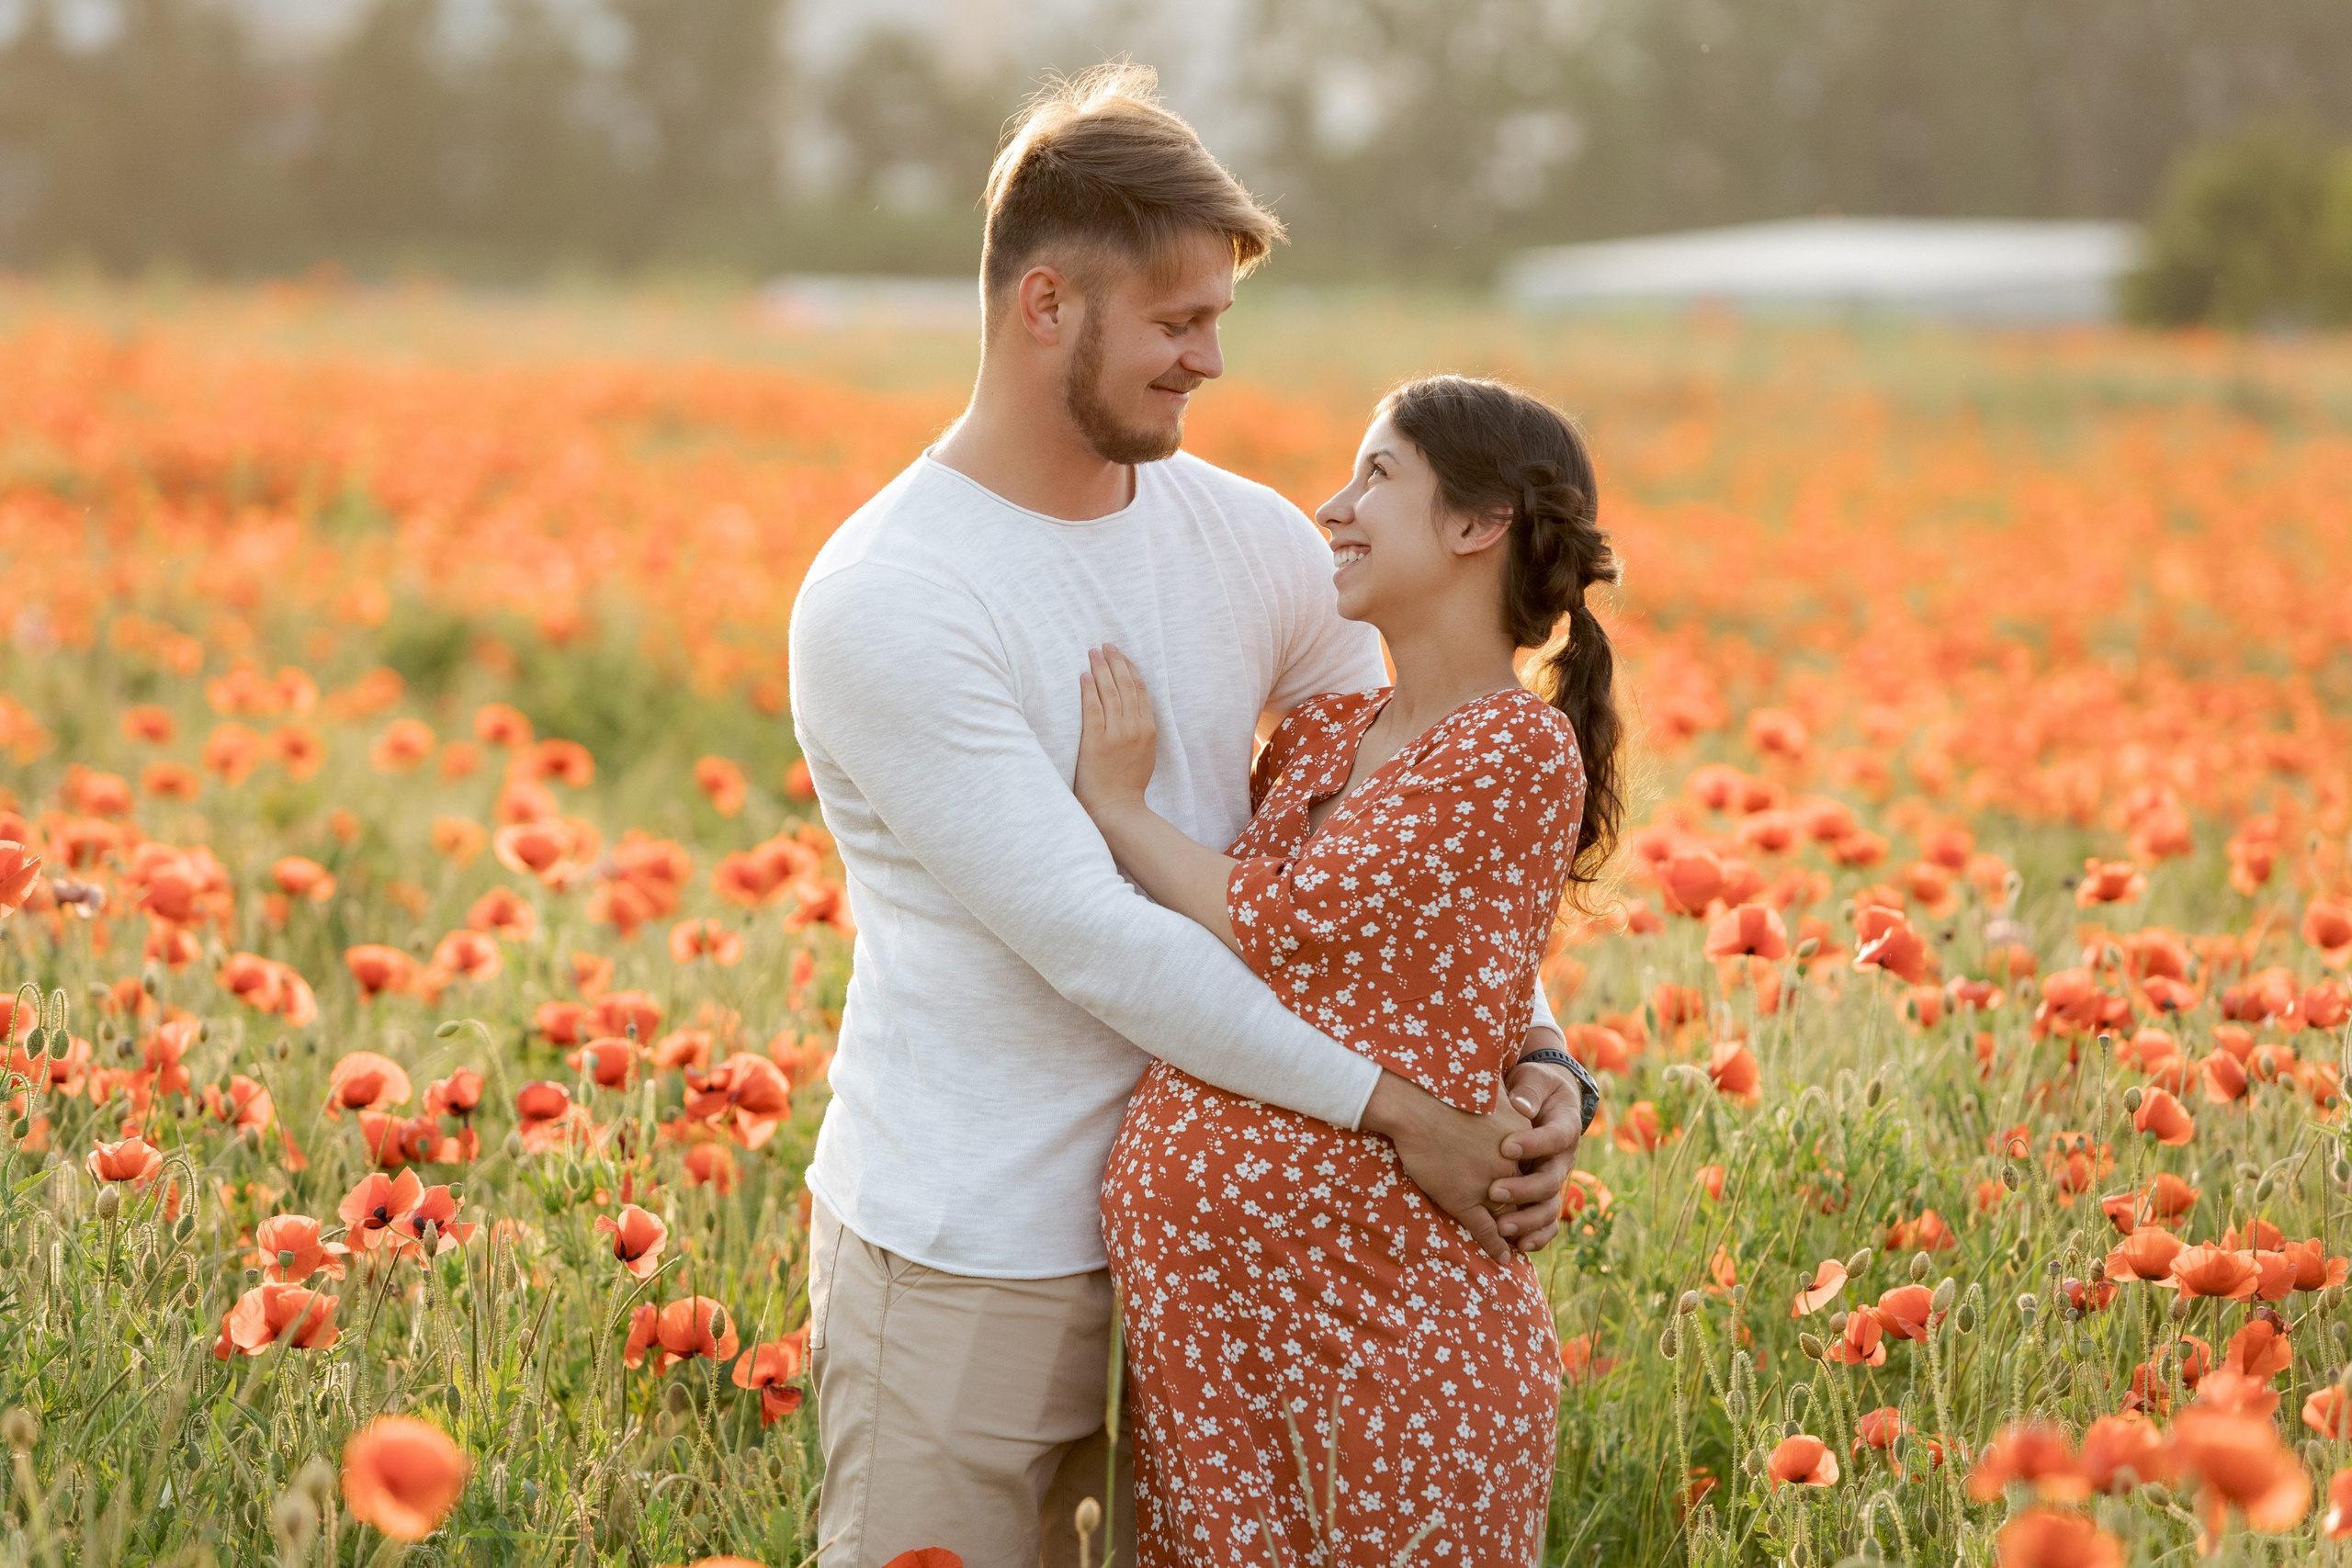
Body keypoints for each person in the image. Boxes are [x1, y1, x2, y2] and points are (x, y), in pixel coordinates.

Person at [786, 66, 1595, 1568]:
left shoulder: (1250, 542)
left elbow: (1420, 814)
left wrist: (1533, 1048)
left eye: (1220, 318)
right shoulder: (893, 598)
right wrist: (1404, 1113)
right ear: (1047, 306)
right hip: (979, 1254)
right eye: (1177, 322)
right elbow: (1098, 942)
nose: (1210, 361)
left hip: (1246, 1263)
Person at [1074, 375, 1623, 1562]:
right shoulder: (1326, 733)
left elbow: (1282, 917)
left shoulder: (1514, 747)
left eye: (1378, 476)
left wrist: (1117, 808)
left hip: (1390, 1339)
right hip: (1222, 1354)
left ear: (1478, 527)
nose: (1334, 506)